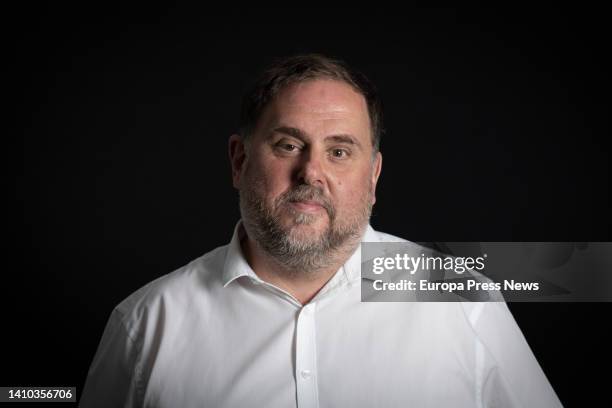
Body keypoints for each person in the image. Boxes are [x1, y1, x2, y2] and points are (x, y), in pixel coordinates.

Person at [80, 54, 562, 407]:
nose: (311, 172)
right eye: (289, 145)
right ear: (239, 161)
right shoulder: (143, 327)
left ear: (372, 176)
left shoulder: (463, 304)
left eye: (339, 151)